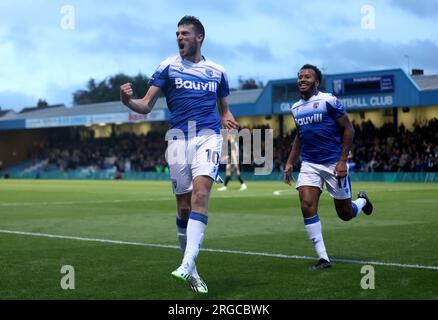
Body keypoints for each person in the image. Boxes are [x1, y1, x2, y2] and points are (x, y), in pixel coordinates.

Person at [120, 16, 238, 293]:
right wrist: (127, 101)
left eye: (184, 33)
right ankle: (193, 272)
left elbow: (224, 109)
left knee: (200, 196)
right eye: (177, 33)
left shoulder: (217, 71)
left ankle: (186, 264)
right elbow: (146, 106)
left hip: (208, 136)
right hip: (177, 140)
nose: (179, 37)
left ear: (199, 37)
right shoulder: (168, 66)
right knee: (184, 208)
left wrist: (228, 118)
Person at [283, 64, 373, 270]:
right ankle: (323, 258)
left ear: (317, 82)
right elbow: (300, 136)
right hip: (310, 163)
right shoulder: (295, 108)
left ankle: (362, 202)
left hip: (333, 163)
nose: (302, 80)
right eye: (300, 77)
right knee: (306, 205)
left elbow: (348, 129)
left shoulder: (329, 101)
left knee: (345, 214)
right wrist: (289, 162)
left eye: (307, 77)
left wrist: (342, 161)